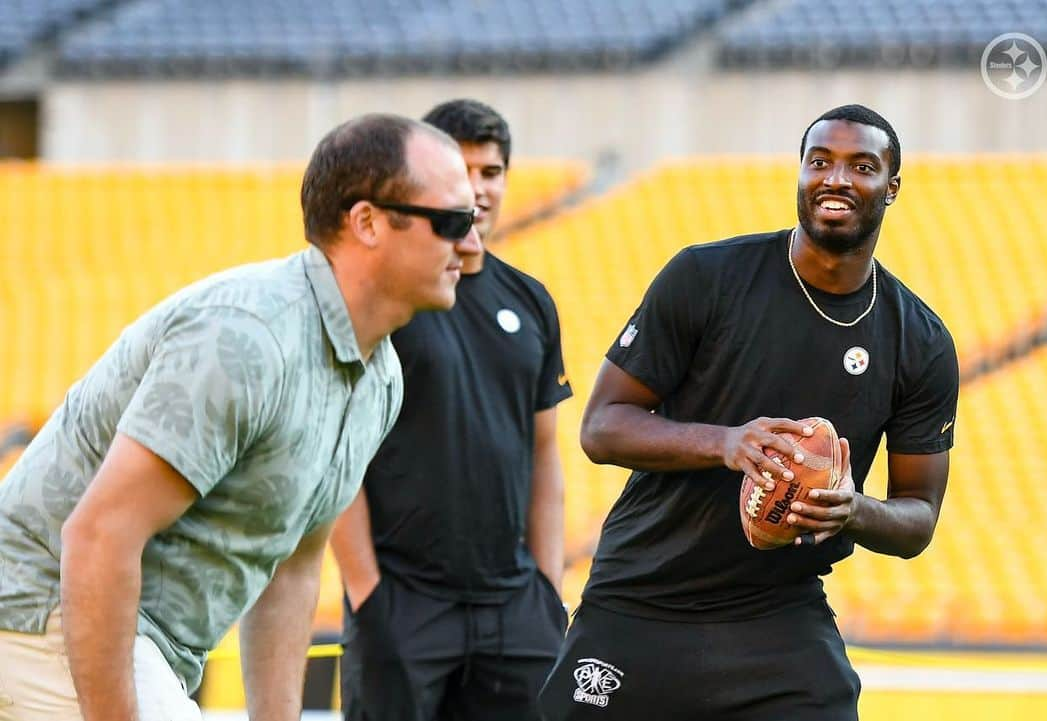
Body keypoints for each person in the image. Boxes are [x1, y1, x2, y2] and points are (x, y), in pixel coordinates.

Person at [0, 113, 481, 721]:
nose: (472, 244)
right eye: (453, 222)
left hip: (136, 638)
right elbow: (97, 537)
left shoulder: (381, 376)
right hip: (34, 613)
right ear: (366, 222)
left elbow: (293, 567)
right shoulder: (248, 338)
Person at [539, 104, 959, 721]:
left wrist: (854, 510)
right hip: (643, 595)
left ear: (891, 188)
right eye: (820, 162)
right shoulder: (706, 277)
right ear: (801, 174)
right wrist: (726, 443)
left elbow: (919, 517)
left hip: (777, 612)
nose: (836, 179)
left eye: (861, 166)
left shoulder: (919, 340)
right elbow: (601, 427)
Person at [331, 98, 572, 721]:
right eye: (462, 174)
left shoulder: (532, 301)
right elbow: (339, 452)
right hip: (405, 602)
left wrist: (547, 590)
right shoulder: (389, 300)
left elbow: (545, 451)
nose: (479, 190)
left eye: (491, 172)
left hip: (515, 606)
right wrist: (368, 593)